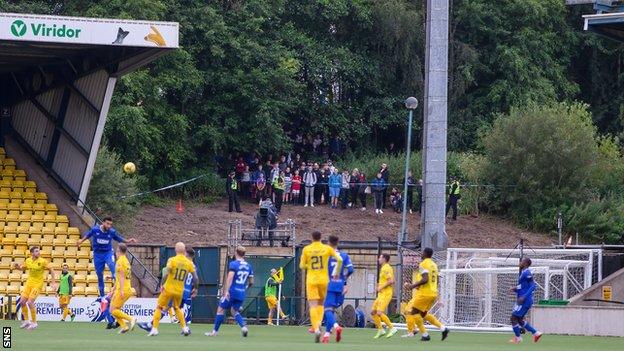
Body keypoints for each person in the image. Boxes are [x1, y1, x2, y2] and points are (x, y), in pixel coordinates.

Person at [138, 247, 196, 332]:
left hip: (178, 289)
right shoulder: (192, 266)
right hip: (186, 291)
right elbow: (195, 279)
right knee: (174, 308)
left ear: (186, 254)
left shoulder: (184, 264)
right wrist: (194, 288)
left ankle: (150, 325)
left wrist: (164, 284)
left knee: (165, 307)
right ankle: (185, 328)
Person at [299, 231, 343, 343]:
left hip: (312, 280)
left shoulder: (307, 249)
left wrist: (310, 265)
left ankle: (316, 328)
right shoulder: (326, 248)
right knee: (321, 304)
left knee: (312, 305)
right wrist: (336, 272)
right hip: (324, 280)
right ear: (321, 238)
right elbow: (339, 259)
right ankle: (318, 323)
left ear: (312, 238)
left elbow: (302, 266)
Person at [77, 217, 136, 297]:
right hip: (97, 254)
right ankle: (102, 296)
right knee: (99, 275)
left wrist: (128, 241)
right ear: (103, 222)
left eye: (110, 224)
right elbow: (88, 235)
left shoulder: (111, 232)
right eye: (107, 224)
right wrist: (81, 240)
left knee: (113, 267)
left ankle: (119, 290)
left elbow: (118, 238)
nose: (109, 226)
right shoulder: (95, 230)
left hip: (108, 253)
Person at [205, 246, 254, 337]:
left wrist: (226, 291)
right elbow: (251, 282)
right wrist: (245, 288)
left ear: (236, 253)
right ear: (244, 254)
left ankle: (214, 332)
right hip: (241, 292)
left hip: (232, 291)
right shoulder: (249, 266)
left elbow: (230, 277)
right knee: (234, 311)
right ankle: (243, 327)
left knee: (220, 309)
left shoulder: (234, 264)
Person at [402, 247, 449, 341]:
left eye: (422, 252)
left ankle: (424, 334)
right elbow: (435, 280)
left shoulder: (424, 264)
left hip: (424, 294)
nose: (421, 254)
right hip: (433, 293)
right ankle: (443, 328)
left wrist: (411, 286)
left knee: (413, 312)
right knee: (423, 314)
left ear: (425, 253)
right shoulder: (434, 265)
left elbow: (425, 279)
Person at [13, 246, 57, 330]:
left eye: (38, 251)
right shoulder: (28, 260)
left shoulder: (42, 261)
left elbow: (51, 270)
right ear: (32, 253)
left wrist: (53, 282)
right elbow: (22, 268)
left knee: (30, 302)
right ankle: (26, 321)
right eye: (36, 251)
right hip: (29, 283)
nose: (38, 253)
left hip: (37, 284)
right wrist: (17, 266)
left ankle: (34, 322)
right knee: (22, 302)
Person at [321, 235, 354, 343]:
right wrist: (344, 280)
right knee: (332, 309)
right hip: (340, 286)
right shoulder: (344, 255)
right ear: (337, 242)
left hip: (330, 285)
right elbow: (350, 269)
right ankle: (326, 334)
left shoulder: (326, 255)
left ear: (329, 243)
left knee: (327, 310)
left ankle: (336, 327)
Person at [509, 257, 543, 344]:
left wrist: (524, 296)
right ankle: (536, 333)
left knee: (513, 318)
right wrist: (515, 288)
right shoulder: (523, 273)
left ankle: (518, 338)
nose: (520, 262)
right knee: (519, 320)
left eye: (522, 261)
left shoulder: (527, 272)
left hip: (524, 300)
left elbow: (533, 286)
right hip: (523, 299)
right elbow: (523, 286)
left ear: (526, 263)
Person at [110, 243, 137, 334]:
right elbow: (120, 277)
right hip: (126, 288)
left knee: (113, 310)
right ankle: (124, 326)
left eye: (116, 251)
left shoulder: (120, 261)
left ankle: (131, 319)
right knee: (113, 310)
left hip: (123, 289)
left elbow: (121, 277)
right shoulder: (126, 261)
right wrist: (113, 289)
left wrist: (120, 290)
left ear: (118, 251)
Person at [371, 254, 397, 339]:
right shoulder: (383, 268)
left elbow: (391, 281)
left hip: (386, 293)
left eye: (380, 257)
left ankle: (392, 328)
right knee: (373, 312)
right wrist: (379, 285)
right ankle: (381, 330)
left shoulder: (386, 268)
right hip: (381, 294)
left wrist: (380, 287)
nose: (378, 259)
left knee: (379, 312)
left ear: (384, 259)